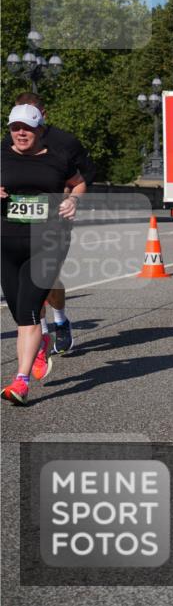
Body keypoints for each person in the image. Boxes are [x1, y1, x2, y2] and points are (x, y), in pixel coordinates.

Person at [1, 104, 86, 404]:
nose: (20, 133)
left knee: (27, 315)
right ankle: (41, 342)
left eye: (26, 127)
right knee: (19, 313)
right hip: (7, 245)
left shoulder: (57, 160)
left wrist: (73, 201)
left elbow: (79, 184)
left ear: (39, 129)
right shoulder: (1, 156)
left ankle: (20, 382)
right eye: (15, 127)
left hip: (47, 243)